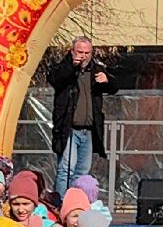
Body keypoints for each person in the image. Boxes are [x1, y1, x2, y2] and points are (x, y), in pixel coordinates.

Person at [48, 37, 118, 199]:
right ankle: (60, 203)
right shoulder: (63, 68)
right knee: (66, 169)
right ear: (72, 52)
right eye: (80, 52)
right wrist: (72, 66)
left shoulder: (97, 69)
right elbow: (55, 79)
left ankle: (77, 205)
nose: (84, 56)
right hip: (69, 129)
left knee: (82, 172)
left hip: (89, 130)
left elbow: (115, 88)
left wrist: (107, 81)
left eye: (87, 53)